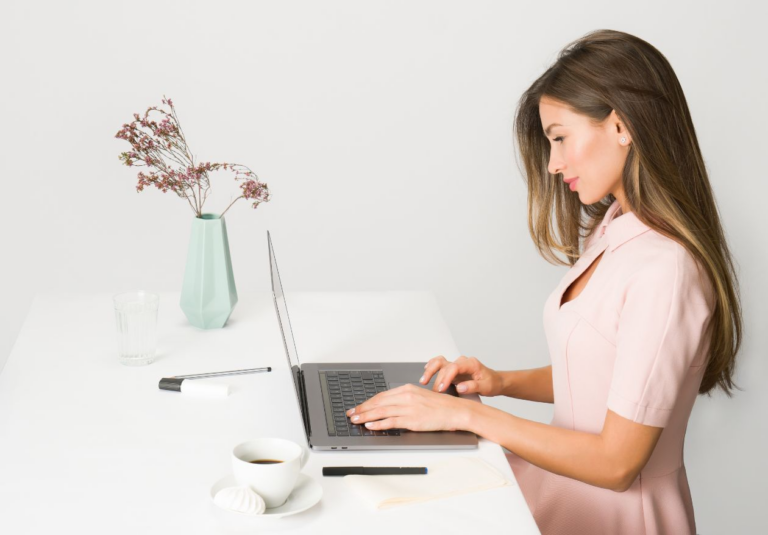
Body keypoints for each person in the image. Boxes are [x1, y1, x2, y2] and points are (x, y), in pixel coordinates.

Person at [345, 29, 742, 535]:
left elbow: (617, 465)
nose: (553, 164)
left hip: (619, 516)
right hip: (561, 491)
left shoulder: (666, 270)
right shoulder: (615, 228)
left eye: (559, 137)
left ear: (620, 125)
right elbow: (603, 376)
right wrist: (498, 382)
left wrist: (470, 418)